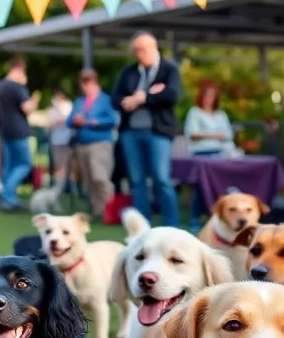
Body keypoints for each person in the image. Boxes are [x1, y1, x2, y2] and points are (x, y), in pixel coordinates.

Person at [111, 31, 182, 224]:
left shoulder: (169, 70)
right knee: (136, 181)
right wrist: (130, 100)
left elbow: (172, 95)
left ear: (153, 47)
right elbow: (115, 99)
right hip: (130, 133)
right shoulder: (129, 72)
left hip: (158, 133)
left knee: (161, 178)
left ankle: (172, 224)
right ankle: (142, 225)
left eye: (141, 50)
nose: (138, 54)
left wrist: (143, 98)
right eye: (136, 50)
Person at [68, 69, 119, 219]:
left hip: (100, 143)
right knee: (88, 180)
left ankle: (110, 210)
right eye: (83, 83)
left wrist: (94, 122)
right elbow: (69, 120)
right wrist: (74, 121)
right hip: (82, 144)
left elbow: (113, 119)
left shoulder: (105, 100)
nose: (85, 87)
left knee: (100, 177)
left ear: (95, 82)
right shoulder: (80, 101)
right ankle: (98, 211)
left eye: (88, 83)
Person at [184, 79, 236, 225]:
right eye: (207, 96)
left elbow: (228, 135)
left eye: (212, 96)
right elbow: (193, 134)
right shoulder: (195, 113)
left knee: (221, 185)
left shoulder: (221, 115)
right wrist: (215, 135)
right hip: (201, 154)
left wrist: (208, 135)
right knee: (201, 186)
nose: (209, 99)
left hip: (221, 154)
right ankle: (195, 218)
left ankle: (218, 217)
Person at [0, 56, 37, 212]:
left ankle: (5, 199)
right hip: (19, 130)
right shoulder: (17, 87)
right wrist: (33, 102)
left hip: (5, 130)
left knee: (8, 166)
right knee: (25, 164)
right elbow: (27, 108)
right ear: (19, 69)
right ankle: (9, 196)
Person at [46, 89, 74, 190]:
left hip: (67, 140)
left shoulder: (68, 106)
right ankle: (59, 186)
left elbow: (69, 120)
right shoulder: (53, 109)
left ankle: (69, 185)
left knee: (68, 164)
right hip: (56, 140)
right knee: (58, 164)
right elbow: (50, 122)